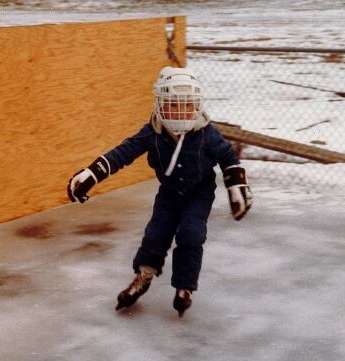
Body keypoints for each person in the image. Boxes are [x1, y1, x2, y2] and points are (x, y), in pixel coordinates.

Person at [67, 66, 252, 317]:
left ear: (196, 105)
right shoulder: (153, 132)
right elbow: (124, 152)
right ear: (160, 104)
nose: (180, 112)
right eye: (172, 105)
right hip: (169, 191)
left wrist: (237, 185)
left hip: (199, 192)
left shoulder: (206, 132)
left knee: (191, 234)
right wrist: (93, 173)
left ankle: (185, 287)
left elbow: (227, 156)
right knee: (156, 233)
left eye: (186, 105)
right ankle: (144, 276)